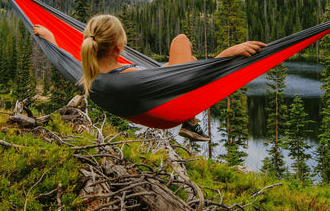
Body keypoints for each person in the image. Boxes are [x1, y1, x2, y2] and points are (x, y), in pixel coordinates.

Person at [33, 14, 266, 142]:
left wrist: (51, 39)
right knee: (181, 41)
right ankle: (191, 122)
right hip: (166, 110)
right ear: (118, 47)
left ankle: (192, 122)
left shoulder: (86, 72)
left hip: (149, 97)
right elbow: (192, 82)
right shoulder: (129, 78)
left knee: (190, 59)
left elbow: (63, 58)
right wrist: (226, 55)